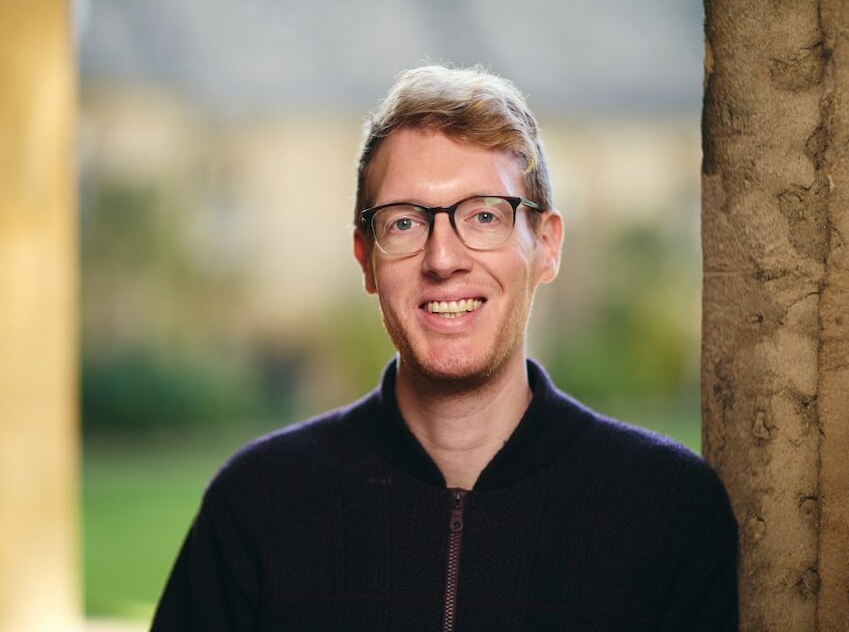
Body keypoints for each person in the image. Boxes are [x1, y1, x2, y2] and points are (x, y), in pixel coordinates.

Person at [151, 65, 738, 631]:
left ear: (547, 246)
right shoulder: (258, 506)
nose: (443, 258)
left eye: (484, 216)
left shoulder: (666, 510)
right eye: (405, 222)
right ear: (367, 257)